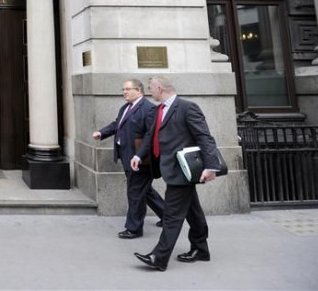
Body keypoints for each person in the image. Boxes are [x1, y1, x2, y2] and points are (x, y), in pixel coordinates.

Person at [131, 75, 222, 272]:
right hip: (169, 168)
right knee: (193, 211)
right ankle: (200, 249)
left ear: (159, 88)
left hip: (182, 170)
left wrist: (211, 166)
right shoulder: (159, 110)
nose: (149, 91)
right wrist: (139, 155)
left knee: (171, 215)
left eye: (150, 88)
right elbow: (151, 135)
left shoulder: (187, 107)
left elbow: (204, 137)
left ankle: (159, 257)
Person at [92, 79, 165, 239]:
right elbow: (117, 124)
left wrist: (139, 156)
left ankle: (134, 228)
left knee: (135, 192)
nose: (124, 92)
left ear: (139, 90)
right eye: (123, 89)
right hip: (126, 156)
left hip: (140, 159)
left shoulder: (148, 109)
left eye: (128, 89)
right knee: (143, 191)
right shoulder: (126, 107)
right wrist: (102, 133)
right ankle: (167, 216)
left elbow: (150, 135)